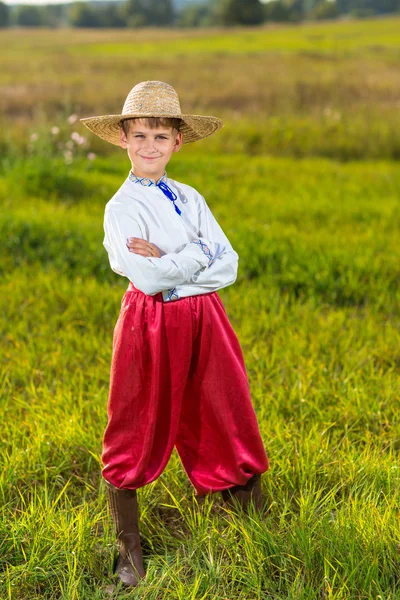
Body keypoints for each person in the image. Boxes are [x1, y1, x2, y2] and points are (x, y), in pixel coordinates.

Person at [80, 80, 269, 588]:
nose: (149, 146)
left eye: (160, 137)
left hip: (207, 314)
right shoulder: (121, 208)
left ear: (177, 142)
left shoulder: (191, 196)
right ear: (122, 137)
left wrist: (172, 260)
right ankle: (128, 546)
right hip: (151, 320)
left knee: (225, 403)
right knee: (137, 417)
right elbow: (147, 279)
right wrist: (193, 257)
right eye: (139, 135)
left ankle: (249, 512)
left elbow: (229, 263)